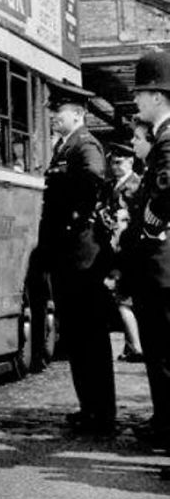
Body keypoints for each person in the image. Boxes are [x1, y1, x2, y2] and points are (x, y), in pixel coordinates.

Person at [37, 82, 115, 434]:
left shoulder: (85, 145)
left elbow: (93, 182)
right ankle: (90, 408)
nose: (54, 115)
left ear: (77, 114)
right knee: (78, 337)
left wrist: (73, 221)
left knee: (91, 338)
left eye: (59, 111)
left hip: (82, 255)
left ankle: (102, 413)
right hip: (68, 256)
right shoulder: (65, 147)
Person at [126, 50, 170, 450]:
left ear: (157, 95)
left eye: (141, 93)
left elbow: (166, 187)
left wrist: (155, 217)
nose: (136, 100)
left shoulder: (168, 137)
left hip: (163, 266)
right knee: (158, 354)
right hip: (155, 264)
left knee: (165, 356)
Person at [103, 142, 144, 362]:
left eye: (119, 162)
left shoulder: (135, 185)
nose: (114, 166)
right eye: (112, 162)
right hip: (118, 247)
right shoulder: (114, 185)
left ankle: (136, 347)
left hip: (128, 249)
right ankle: (131, 346)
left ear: (130, 161)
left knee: (124, 299)